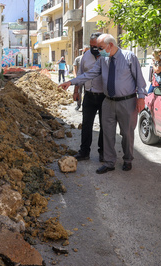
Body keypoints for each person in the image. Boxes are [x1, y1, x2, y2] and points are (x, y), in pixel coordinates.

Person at [60, 34, 147, 174]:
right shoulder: (103, 60)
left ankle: (128, 159)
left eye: (100, 48)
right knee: (107, 133)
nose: (98, 51)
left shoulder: (129, 57)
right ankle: (109, 162)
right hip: (108, 102)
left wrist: (141, 97)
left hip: (127, 101)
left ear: (110, 45)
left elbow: (140, 79)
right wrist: (71, 82)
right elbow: (90, 74)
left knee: (127, 133)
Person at [73, 33, 105, 162]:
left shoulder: (107, 56)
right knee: (86, 125)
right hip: (89, 95)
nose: (93, 48)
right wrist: (76, 91)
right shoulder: (85, 56)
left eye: (95, 46)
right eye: (91, 45)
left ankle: (103, 152)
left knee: (105, 126)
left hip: (104, 96)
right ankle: (84, 152)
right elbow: (80, 74)